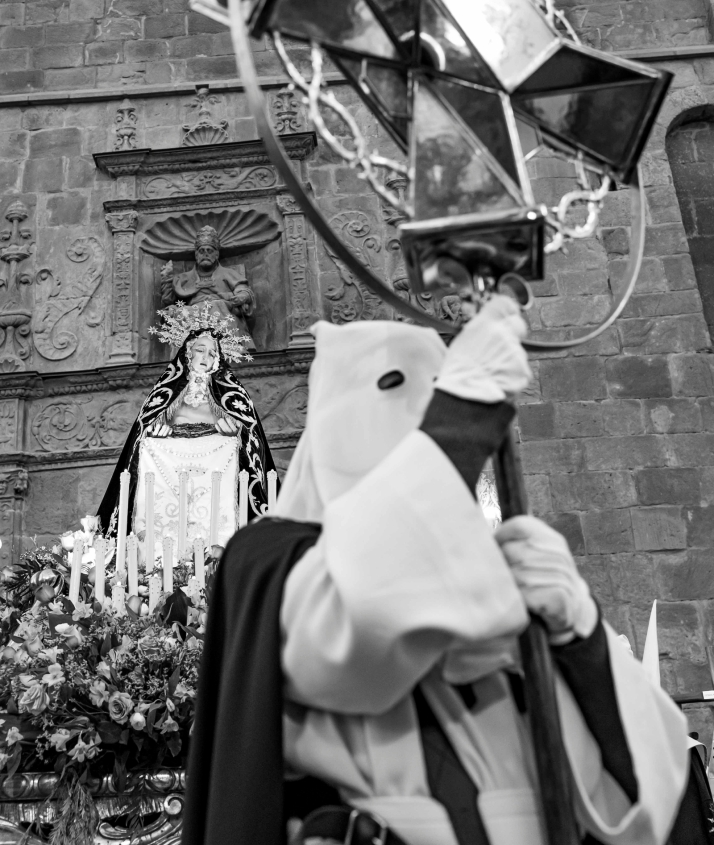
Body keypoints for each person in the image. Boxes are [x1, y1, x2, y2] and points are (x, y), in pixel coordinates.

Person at [183, 297, 689, 845]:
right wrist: (463, 414)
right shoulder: (268, 561)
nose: (417, 426)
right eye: (396, 389)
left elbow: (648, 788)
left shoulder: (480, 567)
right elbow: (361, 617)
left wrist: (580, 639)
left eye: (434, 400)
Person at [97, 303, 277, 538]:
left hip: (215, 483)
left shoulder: (232, 398)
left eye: (213, 353)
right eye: (201, 349)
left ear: (218, 360)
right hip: (167, 483)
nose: (206, 356)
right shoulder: (164, 397)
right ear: (187, 352)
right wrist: (154, 434)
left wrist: (237, 434)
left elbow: (252, 443)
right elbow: (140, 440)